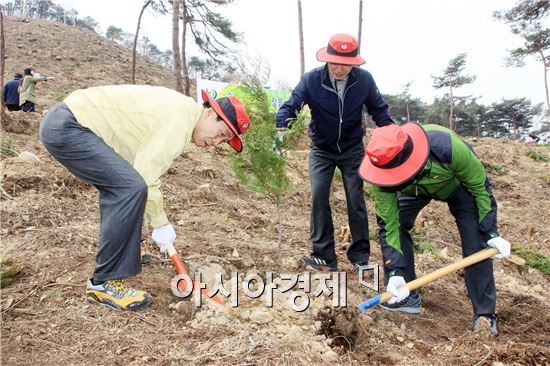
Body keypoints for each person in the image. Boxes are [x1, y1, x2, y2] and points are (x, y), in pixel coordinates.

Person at [39, 85, 250, 311]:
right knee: (130, 188)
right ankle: (104, 285)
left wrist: (151, 222)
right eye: (221, 133)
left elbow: (136, 167)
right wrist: (160, 223)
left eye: (224, 141)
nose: (217, 142)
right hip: (70, 126)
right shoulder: (179, 121)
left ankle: (124, 252)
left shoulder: (182, 113)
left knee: (128, 187)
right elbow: (145, 177)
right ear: (209, 113)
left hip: (67, 122)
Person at [359, 122, 511, 336]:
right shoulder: (383, 173)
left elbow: (480, 189)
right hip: (410, 188)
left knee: (476, 241)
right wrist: (395, 271)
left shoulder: (448, 148)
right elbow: (389, 223)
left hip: (458, 186)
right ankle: (407, 293)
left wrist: (491, 232)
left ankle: (485, 315)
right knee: (398, 222)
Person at [276, 33, 393, 275]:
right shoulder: (311, 80)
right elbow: (292, 104)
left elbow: (379, 110)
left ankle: (360, 256)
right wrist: (280, 125)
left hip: (352, 149)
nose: (339, 68)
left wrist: (393, 134)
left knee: (356, 199)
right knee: (319, 196)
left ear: (354, 62)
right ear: (327, 59)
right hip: (321, 149)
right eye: (334, 62)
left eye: (345, 63)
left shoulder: (364, 81)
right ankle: (324, 256)